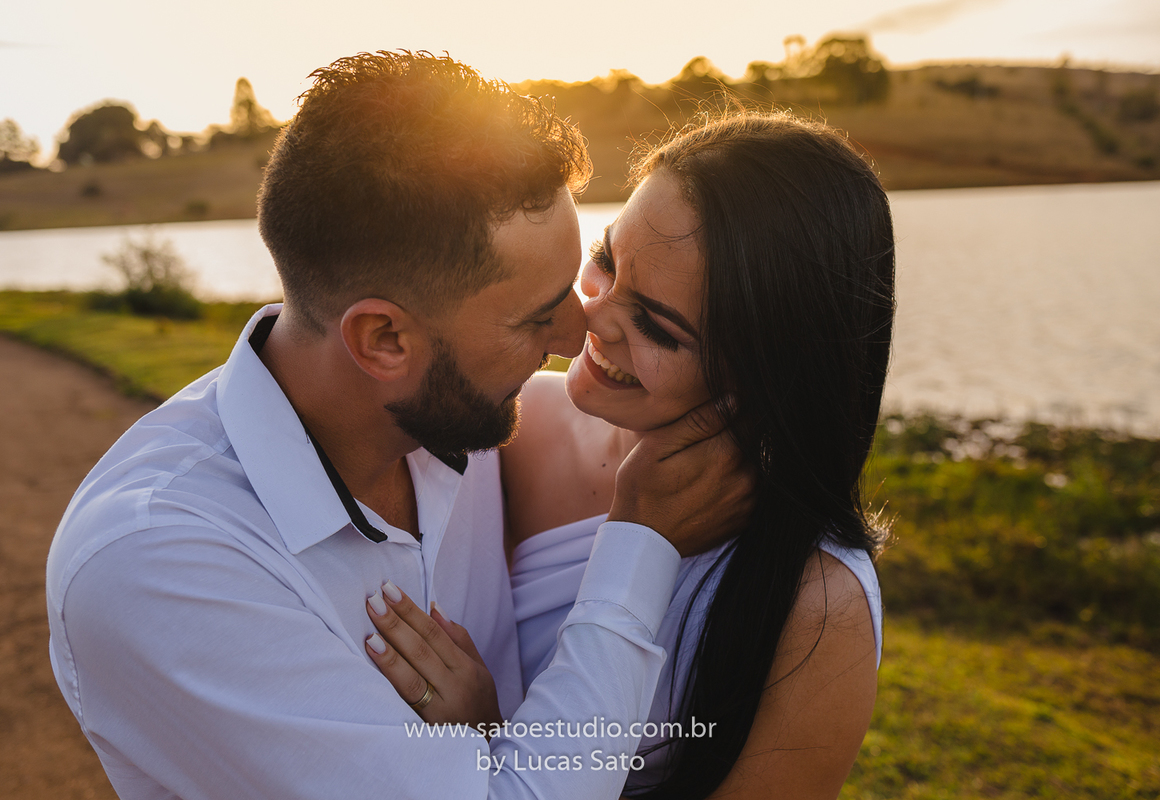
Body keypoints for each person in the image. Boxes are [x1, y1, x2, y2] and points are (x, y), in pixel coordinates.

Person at [45, 52, 750, 800]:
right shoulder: (158, 563)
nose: (579, 335)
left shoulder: (454, 420)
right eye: (536, 316)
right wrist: (641, 542)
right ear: (384, 340)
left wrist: (489, 740)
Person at [375, 111, 895, 799]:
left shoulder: (818, 605)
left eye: (656, 325)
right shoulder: (506, 428)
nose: (593, 318)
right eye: (606, 260)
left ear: (772, 368)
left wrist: (493, 745)